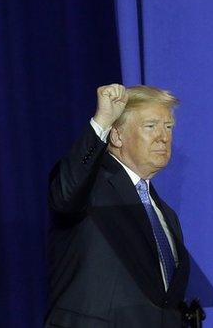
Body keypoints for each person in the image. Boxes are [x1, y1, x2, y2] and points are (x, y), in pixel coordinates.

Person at [46, 84, 190, 327]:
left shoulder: (166, 215)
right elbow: (66, 192)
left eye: (168, 127)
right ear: (117, 135)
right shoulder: (92, 189)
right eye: (150, 126)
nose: (164, 137)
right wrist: (102, 121)